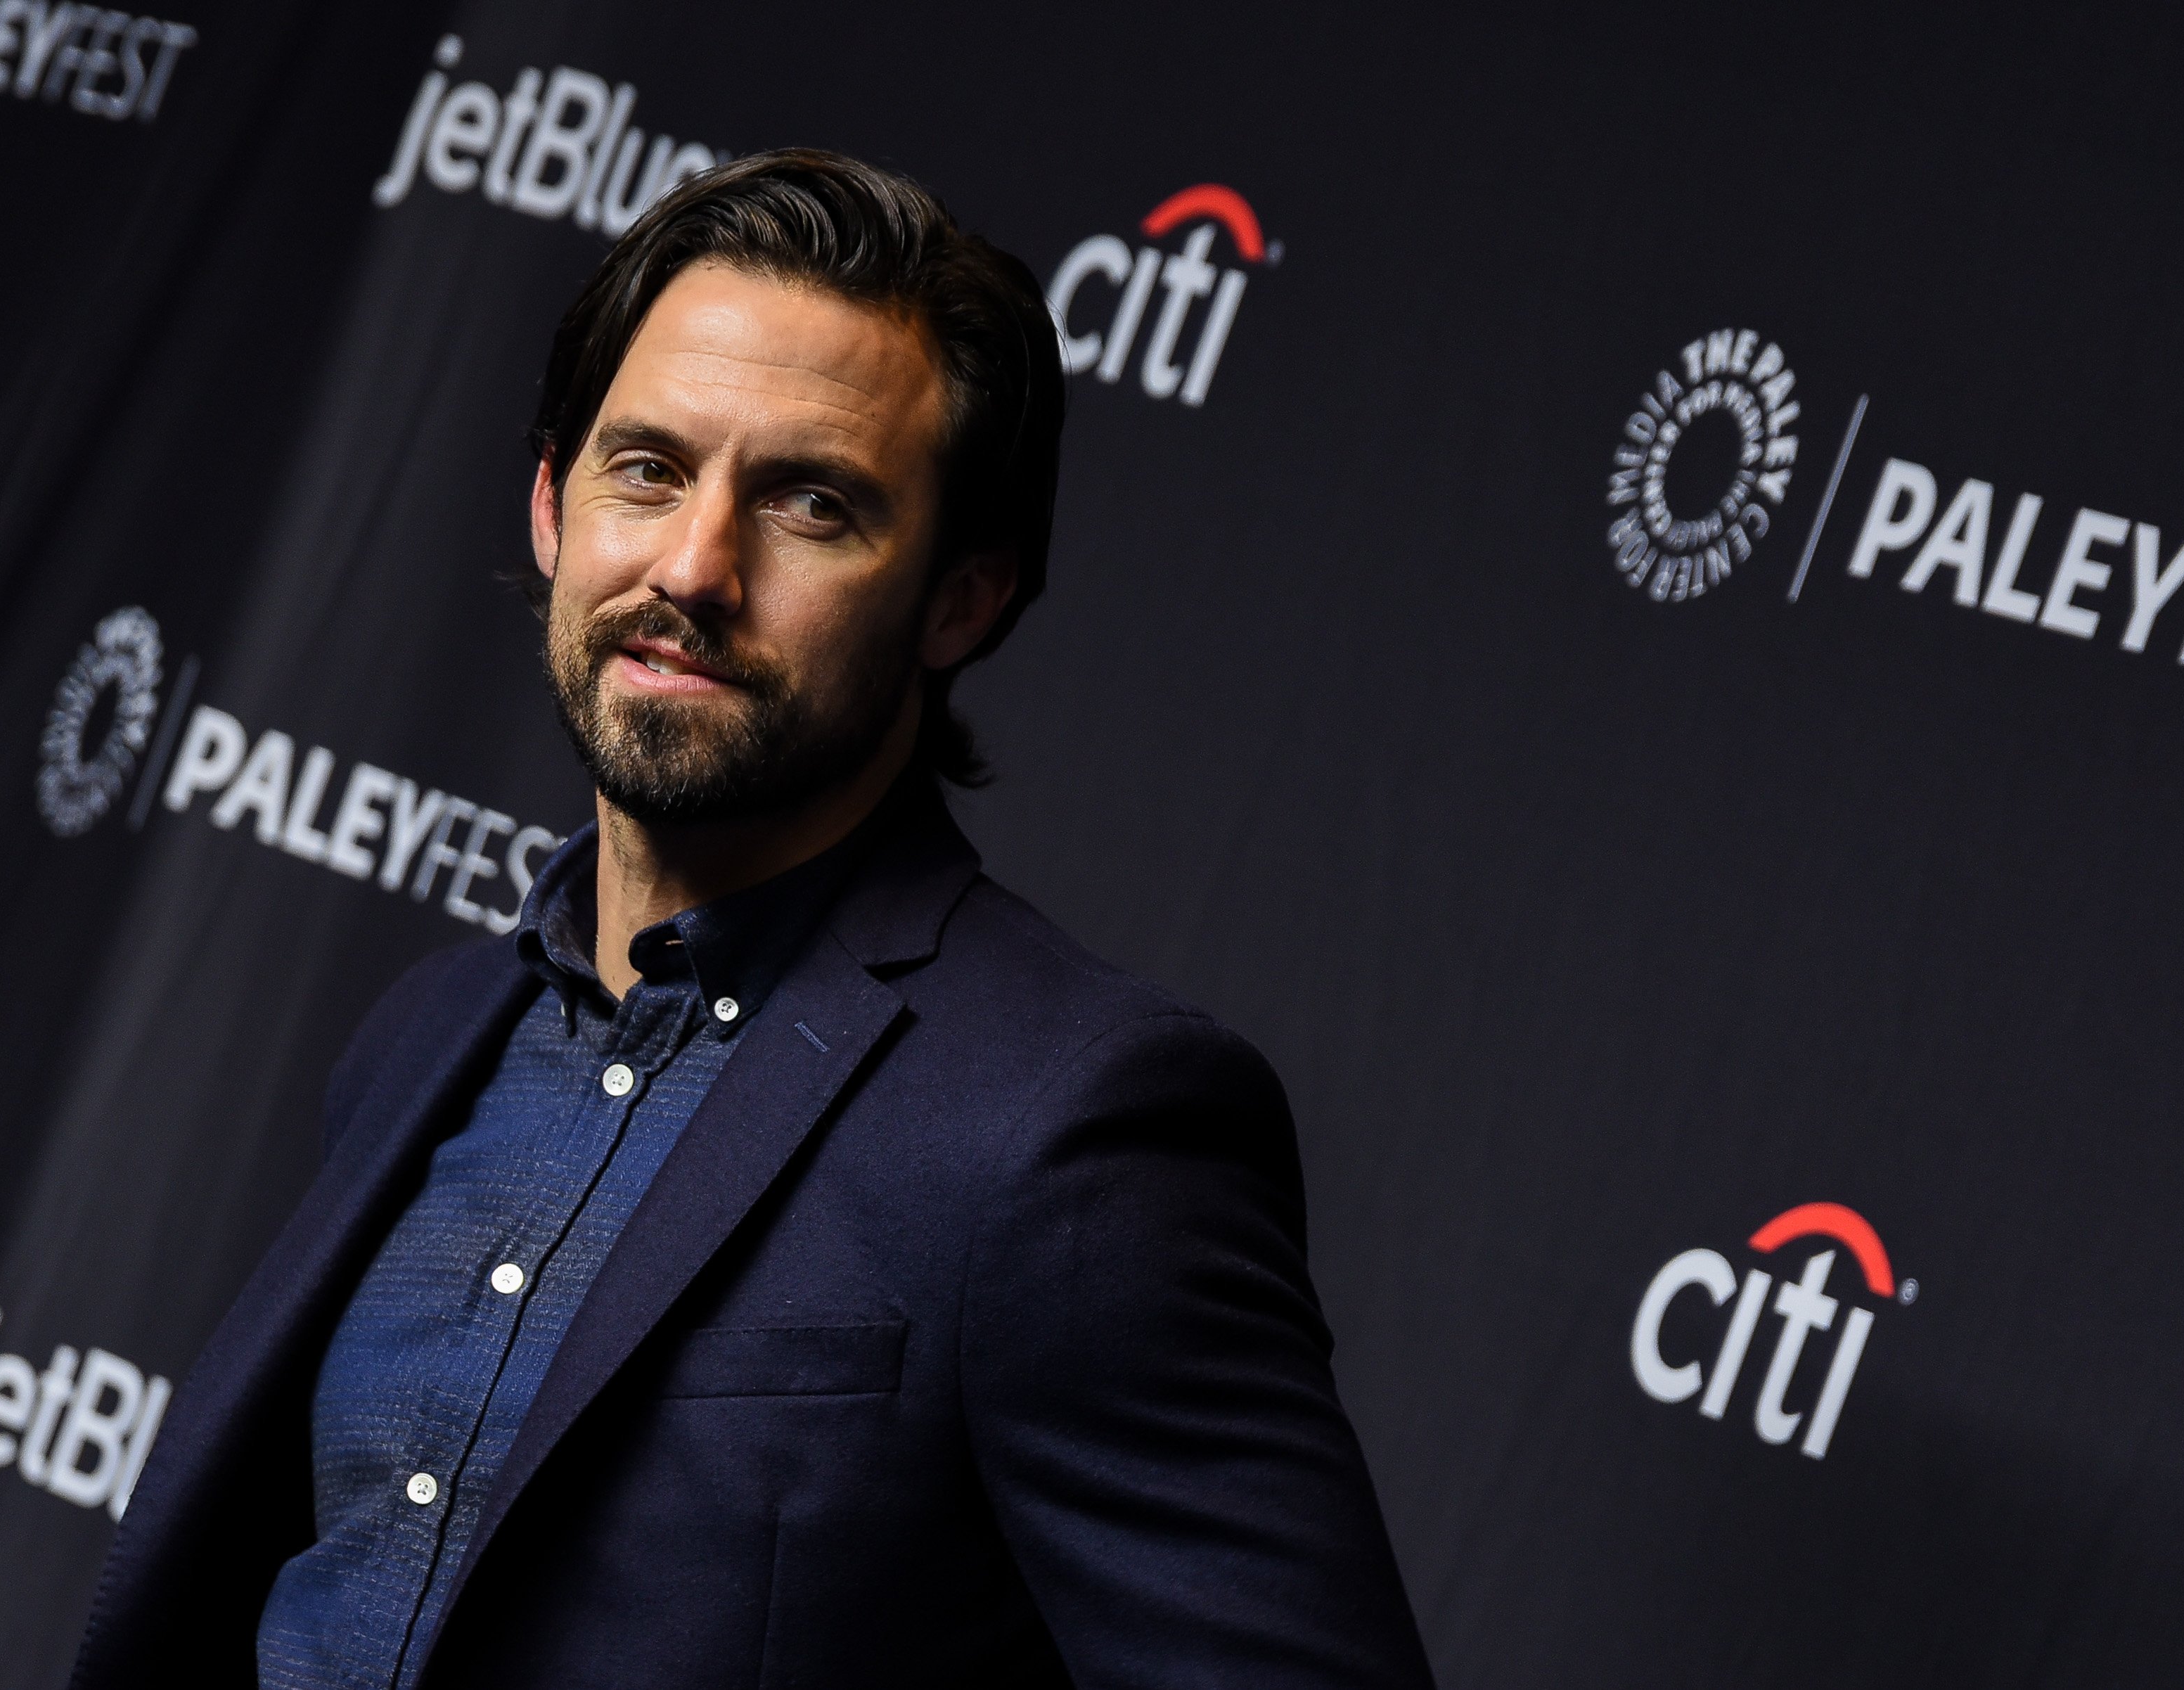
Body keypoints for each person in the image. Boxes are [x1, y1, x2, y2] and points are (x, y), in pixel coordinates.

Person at [70, 148, 1433, 1690]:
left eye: (812, 502)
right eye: (647, 468)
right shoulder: (425, 1037)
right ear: (549, 505)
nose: (695, 568)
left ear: (961, 599)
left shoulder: (1074, 1128)